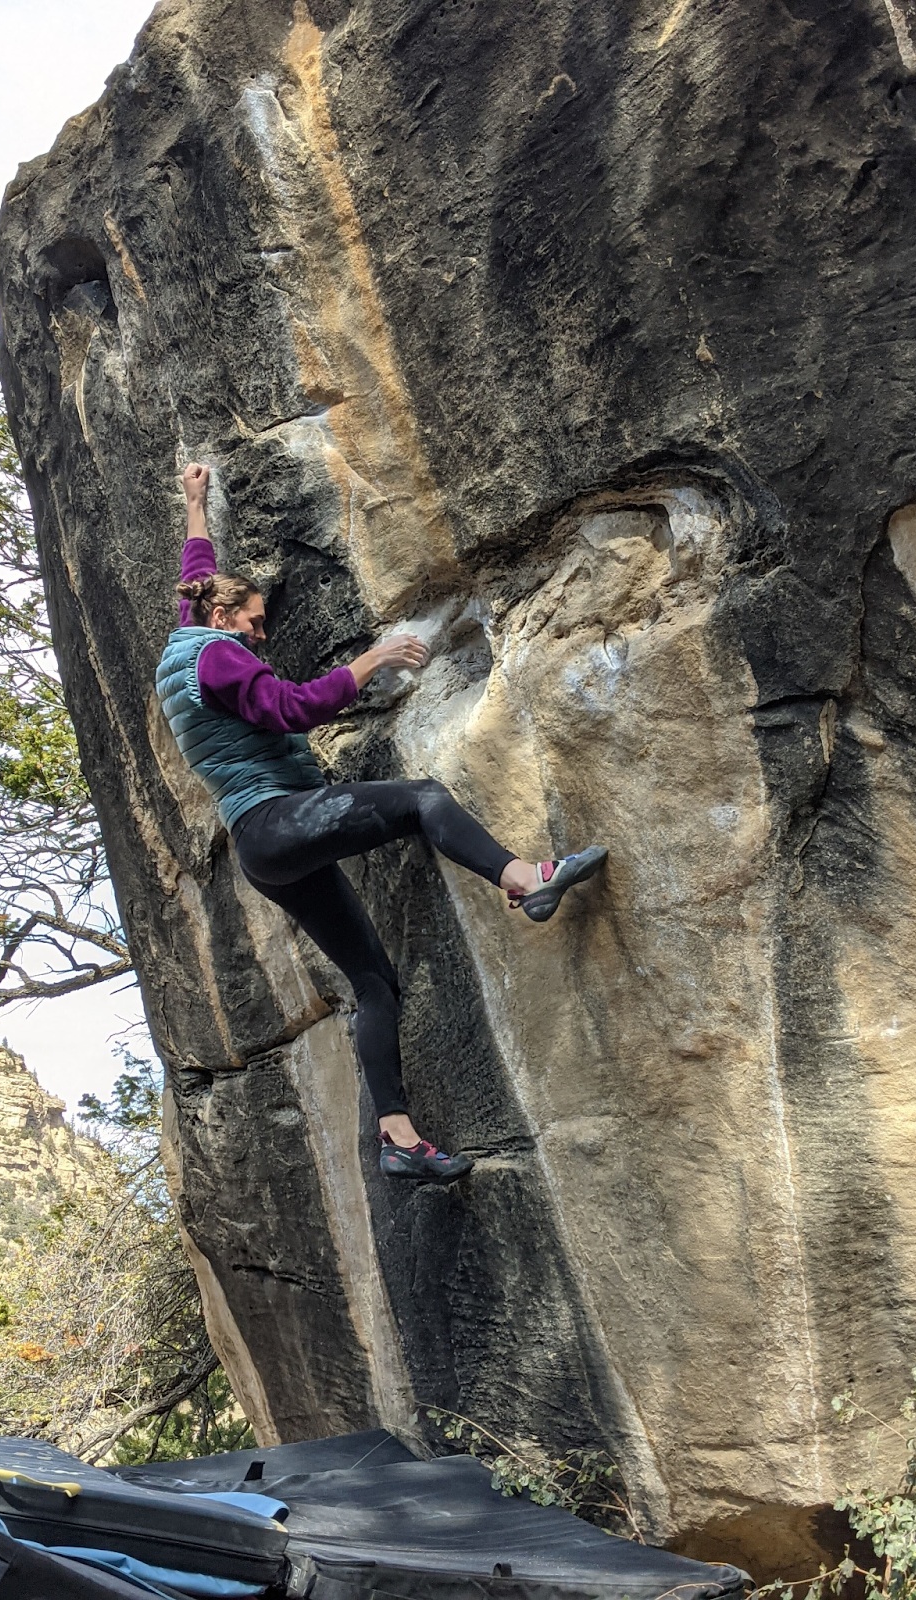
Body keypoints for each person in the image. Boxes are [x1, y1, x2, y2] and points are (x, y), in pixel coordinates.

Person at [156, 463, 607, 1183]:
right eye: (255, 620)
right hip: (277, 821)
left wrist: (195, 504)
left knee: (373, 982)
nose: (261, 633)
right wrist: (376, 656)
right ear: (223, 619)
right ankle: (526, 879)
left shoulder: (191, 643)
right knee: (421, 800)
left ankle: (398, 1139)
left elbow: (197, 572)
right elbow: (294, 710)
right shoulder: (219, 660)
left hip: (264, 847)